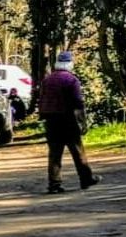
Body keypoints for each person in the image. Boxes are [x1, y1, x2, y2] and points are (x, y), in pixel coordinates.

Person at [39, 51, 100, 194]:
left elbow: (42, 100)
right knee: (78, 151)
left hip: (51, 121)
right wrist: (82, 122)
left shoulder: (47, 80)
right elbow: (78, 104)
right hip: (68, 120)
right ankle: (86, 179)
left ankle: (54, 184)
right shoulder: (72, 80)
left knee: (54, 154)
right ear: (69, 64)